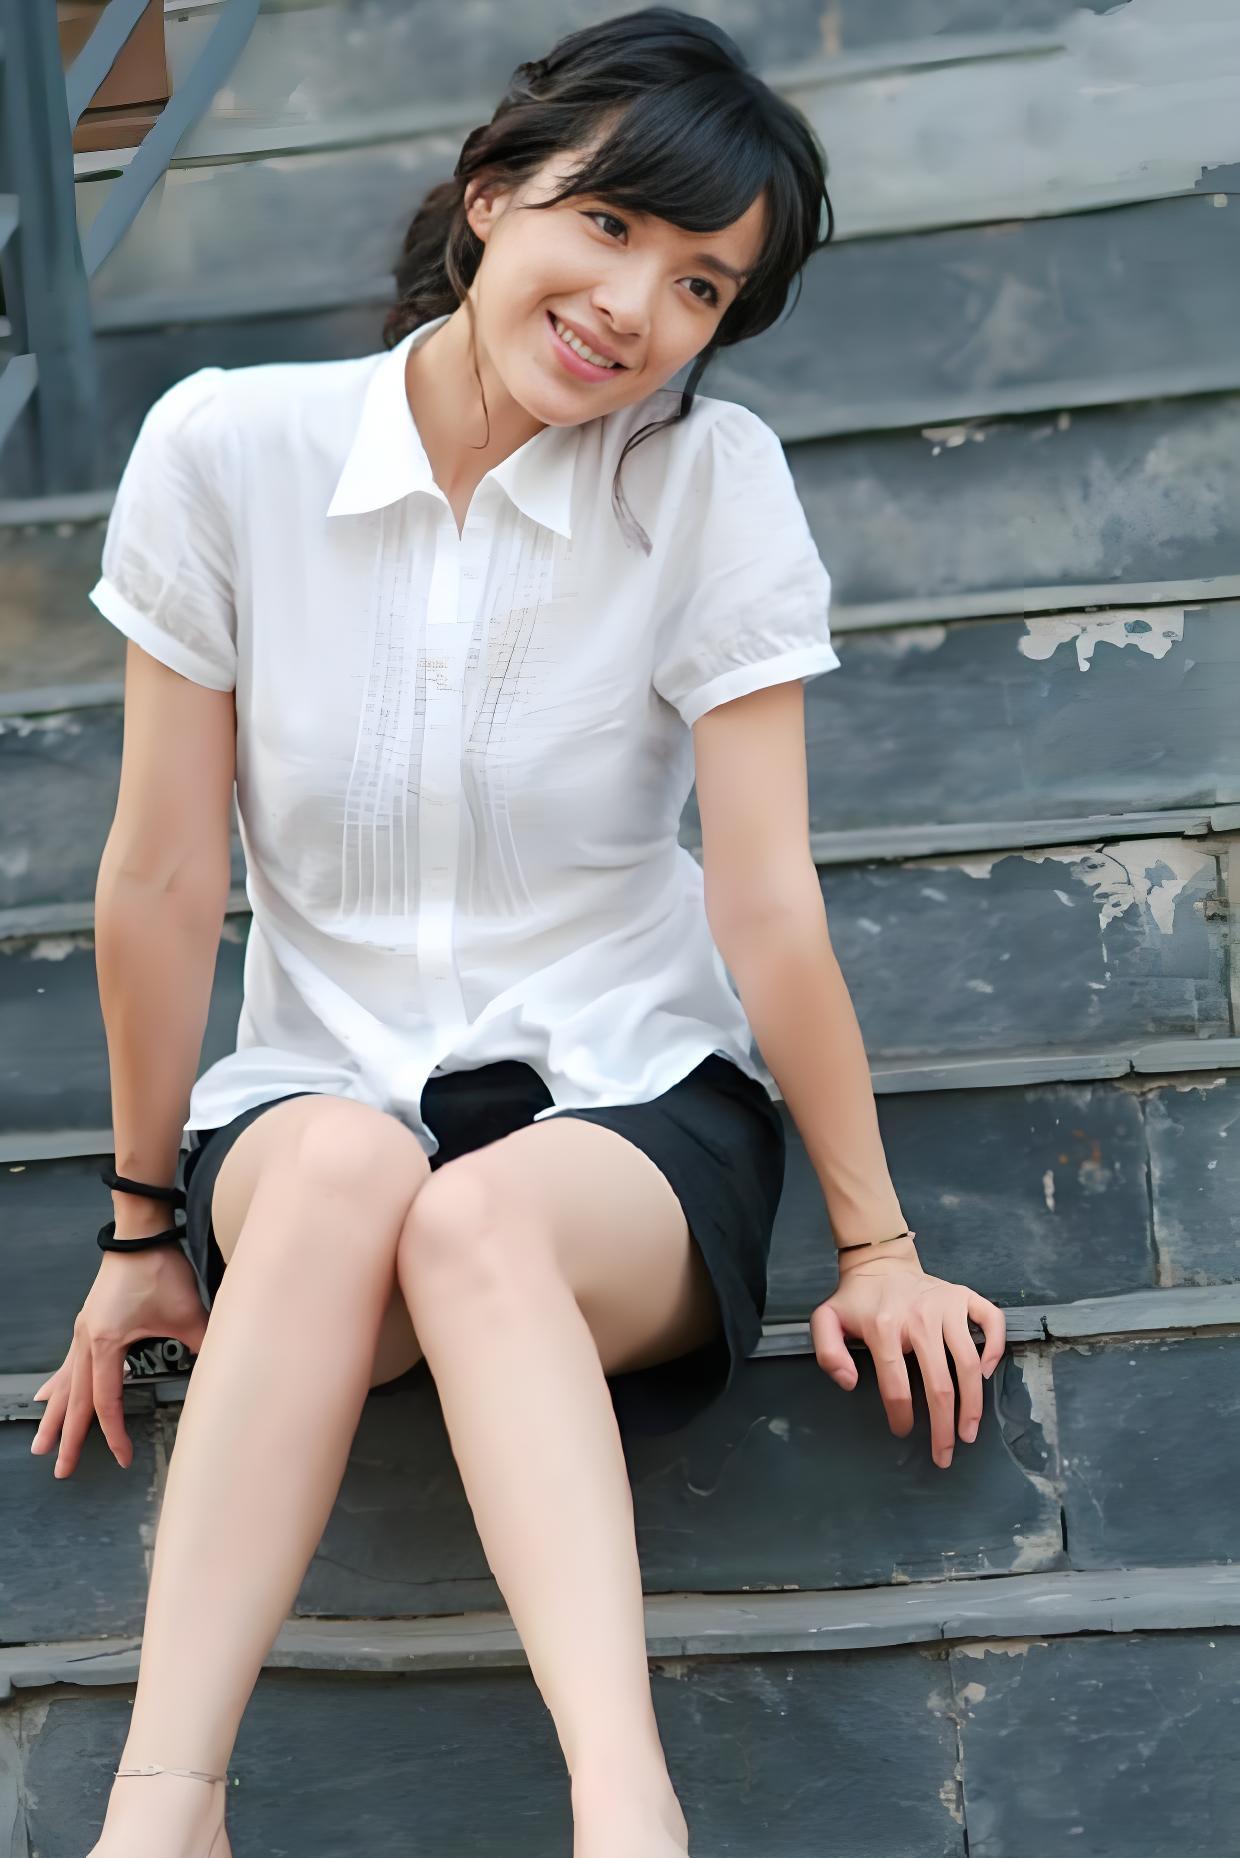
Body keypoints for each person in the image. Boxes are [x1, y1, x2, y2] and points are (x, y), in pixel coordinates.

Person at [30, 9, 1006, 1855]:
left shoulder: (708, 482)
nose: (636, 307)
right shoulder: (229, 449)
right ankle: (163, 1809)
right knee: (346, 1174)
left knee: (476, 1218)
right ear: (492, 192)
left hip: (626, 1113)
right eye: (611, 224)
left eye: (702, 285)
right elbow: (158, 875)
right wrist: (142, 1228)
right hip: (319, 1107)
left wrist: (875, 1241)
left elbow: (763, 891)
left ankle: (627, 1815)